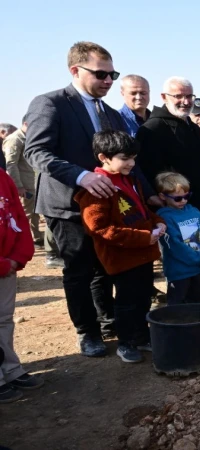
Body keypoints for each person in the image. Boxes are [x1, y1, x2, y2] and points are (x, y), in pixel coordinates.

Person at [24, 41, 152, 357]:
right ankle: (89, 332)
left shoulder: (111, 114)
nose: (108, 81)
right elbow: (36, 151)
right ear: (75, 70)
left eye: (112, 74)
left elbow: (130, 163)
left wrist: (150, 197)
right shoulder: (50, 104)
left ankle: (114, 325)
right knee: (80, 272)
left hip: (111, 207)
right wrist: (82, 176)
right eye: (101, 74)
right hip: (67, 206)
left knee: (108, 269)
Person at [74, 130, 166, 363]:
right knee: (126, 302)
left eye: (134, 158)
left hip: (144, 253)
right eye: (125, 158)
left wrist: (158, 222)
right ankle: (126, 343)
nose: (131, 163)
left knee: (144, 297)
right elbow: (100, 229)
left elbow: (142, 210)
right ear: (104, 157)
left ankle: (142, 336)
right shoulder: (96, 188)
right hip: (122, 257)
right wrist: (144, 237)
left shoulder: (130, 179)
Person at [136, 76, 200, 286]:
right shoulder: (152, 129)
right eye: (178, 96)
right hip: (175, 206)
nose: (185, 101)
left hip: (197, 203)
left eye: (189, 96)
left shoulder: (189, 124)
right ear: (164, 97)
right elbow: (147, 171)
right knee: (184, 251)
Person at [0, 166, 42, 403]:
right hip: (2, 265)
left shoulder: (3, 178)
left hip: (7, 265)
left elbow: (17, 217)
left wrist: (19, 255)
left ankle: (10, 368)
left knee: (4, 319)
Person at [156, 172, 200, 305]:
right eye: (177, 198)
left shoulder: (194, 211)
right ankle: (179, 324)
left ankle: (196, 322)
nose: (183, 201)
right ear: (162, 196)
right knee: (178, 301)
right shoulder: (164, 217)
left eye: (186, 196)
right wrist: (197, 259)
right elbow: (175, 246)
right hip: (179, 271)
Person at [2, 120, 41, 247]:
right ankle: (20, 241)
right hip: (23, 185)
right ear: (25, 124)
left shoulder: (25, 139)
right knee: (25, 214)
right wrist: (18, 186)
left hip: (30, 182)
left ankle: (36, 237)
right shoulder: (15, 140)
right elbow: (11, 165)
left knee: (34, 211)